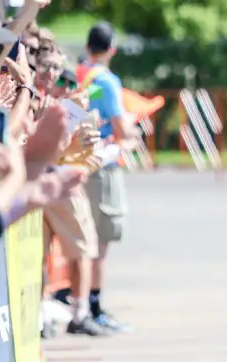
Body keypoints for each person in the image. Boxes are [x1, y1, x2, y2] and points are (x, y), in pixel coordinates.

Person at [75, 21, 135, 332]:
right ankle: (94, 306)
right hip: (103, 166)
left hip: (77, 163)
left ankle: (78, 303)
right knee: (100, 241)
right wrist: (131, 130)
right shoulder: (108, 82)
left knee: (82, 238)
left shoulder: (79, 75)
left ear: (87, 47)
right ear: (111, 50)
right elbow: (121, 129)